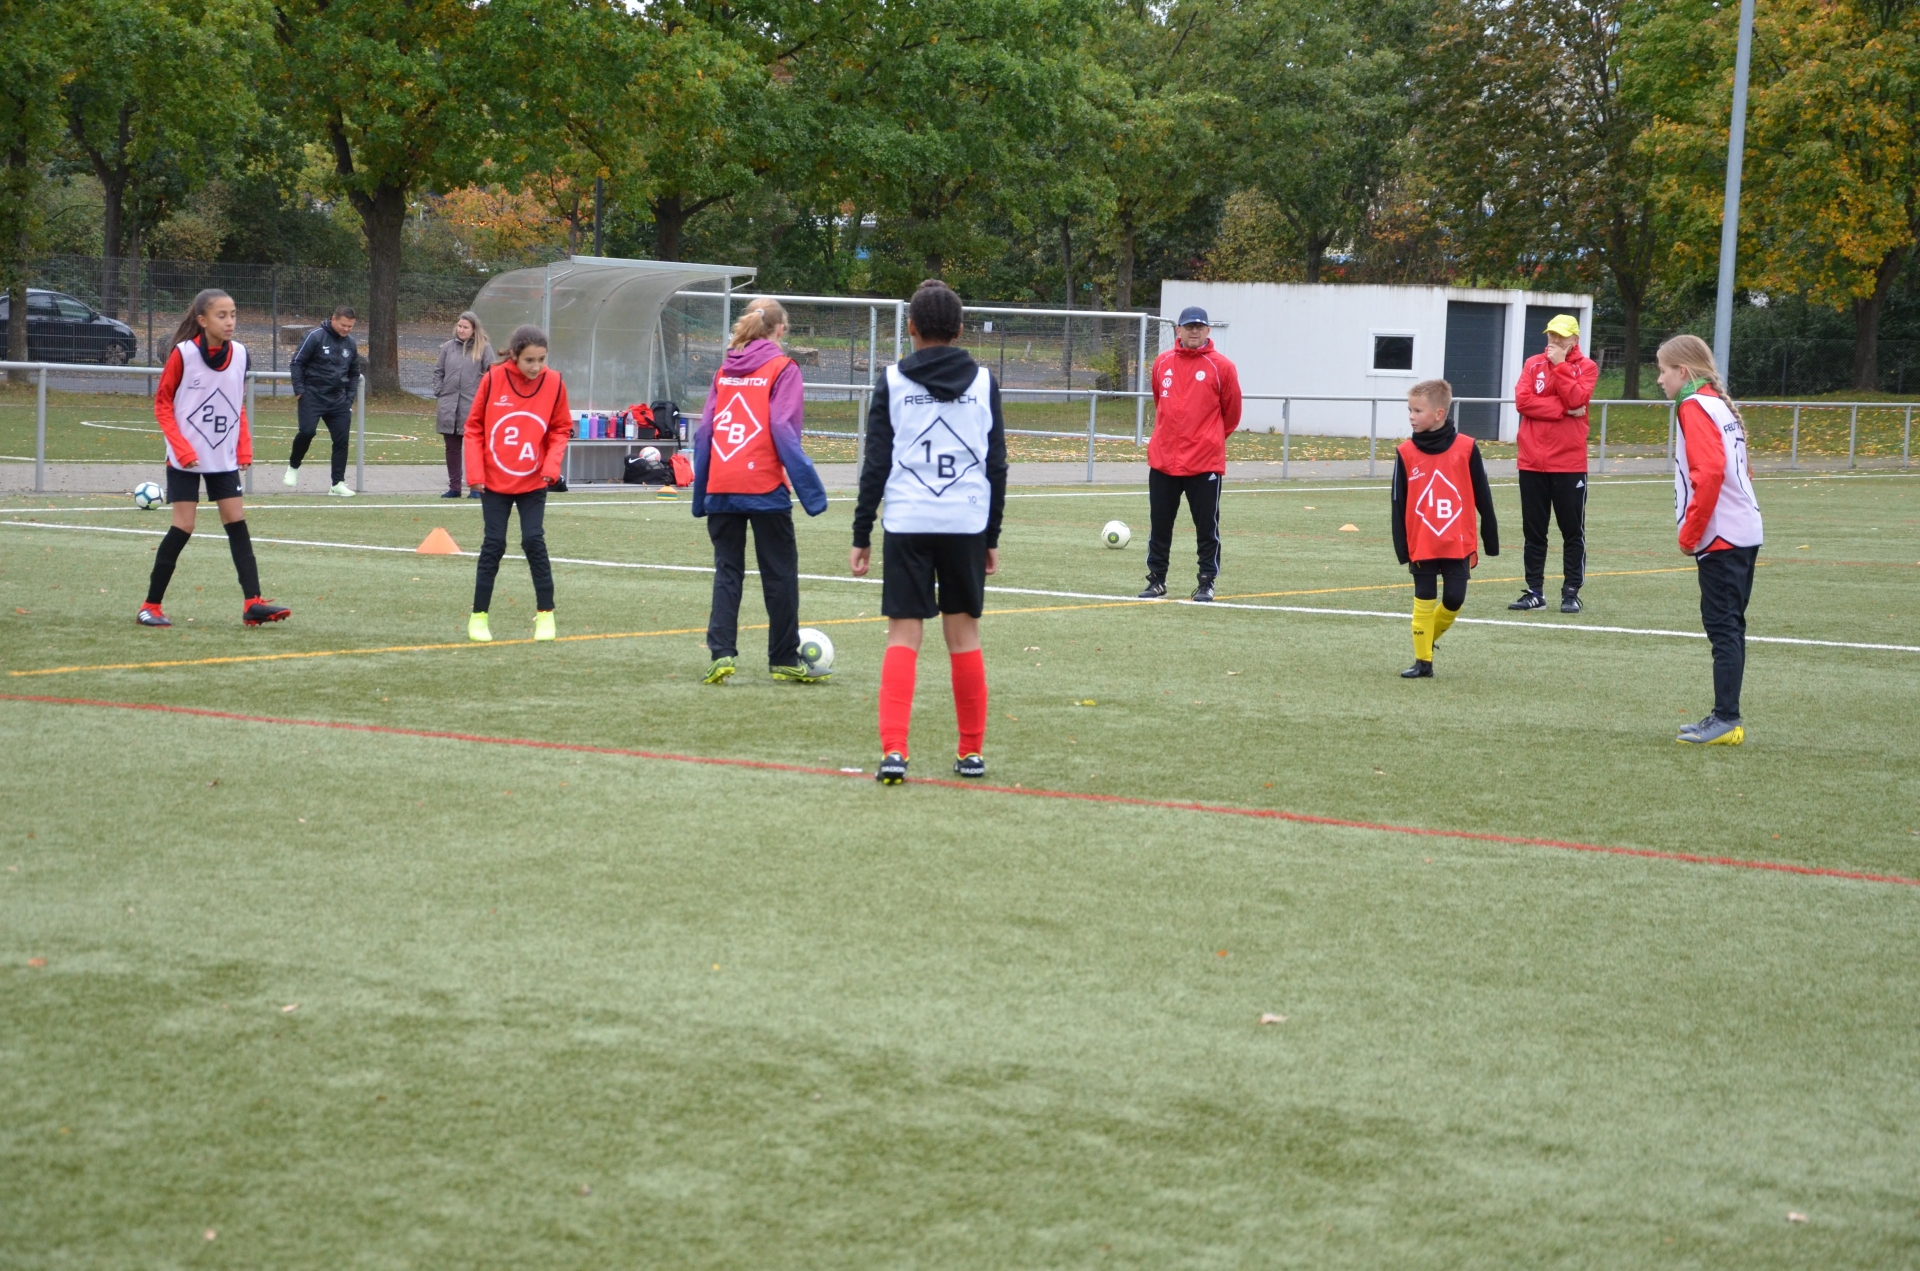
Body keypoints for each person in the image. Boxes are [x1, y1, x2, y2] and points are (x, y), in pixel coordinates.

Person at [849, 280, 1008, 784]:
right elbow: (997, 466)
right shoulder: (983, 382)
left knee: (903, 635)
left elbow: (875, 464)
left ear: (911, 328)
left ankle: (895, 751)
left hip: (907, 521)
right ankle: (971, 753)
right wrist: (991, 536)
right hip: (965, 521)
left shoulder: (892, 380)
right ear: (959, 330)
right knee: (963, 635)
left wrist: (861, 532)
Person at [692, 297, 831, 684]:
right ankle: (783, 657)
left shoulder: (724, 371)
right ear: (780, 329)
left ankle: (721, 653)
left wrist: (702, 493)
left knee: (727, 571)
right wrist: (812, 493)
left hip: (722, 484)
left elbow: (704, 434)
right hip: (763, 485)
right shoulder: (783, 368)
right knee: (779, 574)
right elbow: (783, 428)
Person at [138, 289, 290, 629]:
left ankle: (253, 603)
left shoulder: (241, 354)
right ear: (202, 320)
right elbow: (162, 404)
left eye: (233, 314)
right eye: (221, 315)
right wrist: (182, 448)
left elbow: (236, 404)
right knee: (184, 526)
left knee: (237, 523)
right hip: (185, 459)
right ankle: (150, 605)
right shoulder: (184, 354)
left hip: (223, 457)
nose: (229, 321)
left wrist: (244, 446)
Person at [1657, 334, 1762, 746]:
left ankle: (1727, 719)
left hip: (1722, 536)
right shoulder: (1715, 403)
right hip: (1742, 530)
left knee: (1723, 628)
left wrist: (1691, 532)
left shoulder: (1694, 405)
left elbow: (1712, 472)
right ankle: (1723, 714)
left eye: (1664, 371)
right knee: (1730, 626)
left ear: (1683, 371)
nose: (1660, 380)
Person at [463, 325, 573, 643]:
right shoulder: (493, 379)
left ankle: (546, 615)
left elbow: (561, 428)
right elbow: (473, 428)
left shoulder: (555, 382)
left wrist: (551, 466)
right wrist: (475, 474)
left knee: (533, 541)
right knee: (493, 544)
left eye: (541, 359)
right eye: (529, 360)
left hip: (534, 481)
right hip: (493, 481)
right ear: (514, 356)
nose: (536, 367)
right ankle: (479, 617)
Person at [1390, 379, 1497, 678]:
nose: (1411, 416)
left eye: (1417, 411)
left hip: (1457, 541)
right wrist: (1403, 548)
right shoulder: (1405, 452)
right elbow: (1398, 502)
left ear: (1439, 413)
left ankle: (1426, 639)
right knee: (1424, 597)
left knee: (1454, 599)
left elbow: (1483, 494)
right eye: (1409, 410)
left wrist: (1491, 539)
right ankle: (1423, 662)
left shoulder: (1466, 447)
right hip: (1422, 541)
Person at [1142, 305, 1241, 602]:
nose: (1194, 331)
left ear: (1208, 331)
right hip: (1163, 462)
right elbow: (1160, 402)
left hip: (1203, 463)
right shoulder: (1162, 362)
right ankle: (1157, 580)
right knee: (1160, 526)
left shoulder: (1222, 367)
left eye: (1199, 327)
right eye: (1189, 326)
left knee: (1206, 528)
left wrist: (1208, 440)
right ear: (1178, 330)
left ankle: (1206, 582)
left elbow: (1232, 414)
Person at [1511, 312, 1598, 613]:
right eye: (1551, 334)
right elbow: (1523, 402)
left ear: (1574, 339)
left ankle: (1571, 592)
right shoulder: (1532, 364)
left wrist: (1561, 367)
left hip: (1569, 463)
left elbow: (1576, 400)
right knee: (1534, 532)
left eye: (1561, 335)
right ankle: (1534, 592)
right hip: (1531, 462)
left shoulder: (1587, 367)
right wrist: (1561, 410)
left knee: (1572, 531)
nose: (1554, 340)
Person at [283, 304, 362, 496]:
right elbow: (297, 362)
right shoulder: (314, 336)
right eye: (343, 325)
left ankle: (337, 484)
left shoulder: (350, 343)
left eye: (350, 326)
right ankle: (293, 466)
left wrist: (349, 398)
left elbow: (354, 373)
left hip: (339, 400)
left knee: (342, 440)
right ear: (333, 319)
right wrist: (300, 391)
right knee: (307, 432)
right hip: (312, 395)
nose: (346, 329)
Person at [433, 311, 491, 499]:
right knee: (452, 448)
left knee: (474, 449)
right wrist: (439, 390)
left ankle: (476, 488)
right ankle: (454, 487)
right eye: (459, 326)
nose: (461, 330)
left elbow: (492, 374)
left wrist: (481, 396)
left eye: (465, 327)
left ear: (474, 329)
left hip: (472, 406)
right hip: (449, 405)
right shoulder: (448, 347)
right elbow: (438, 371)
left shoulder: (484, 348)